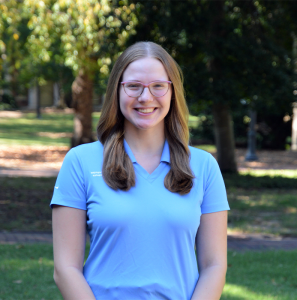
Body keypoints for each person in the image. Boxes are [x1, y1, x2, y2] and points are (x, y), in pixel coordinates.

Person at [51, 41, 230, 300]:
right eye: (134, 86)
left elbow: (214, 266)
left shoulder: (204, 167)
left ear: (172, 92)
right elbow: (65, 268)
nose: (145, 97)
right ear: (117, 91)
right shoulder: (80, 162)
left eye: (158, 86)